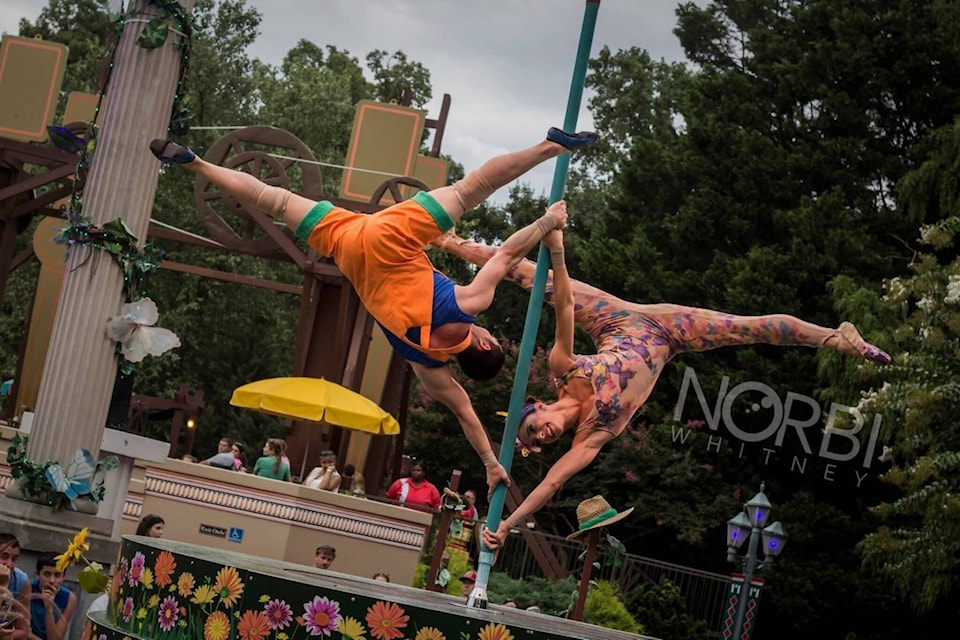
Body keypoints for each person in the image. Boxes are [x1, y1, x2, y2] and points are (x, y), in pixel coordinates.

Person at [150, 129, 596, 498]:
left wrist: (545, 223)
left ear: (485, 343)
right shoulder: (429, 368)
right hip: (348, 248)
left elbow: (503, 257)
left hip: (389, 235)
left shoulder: (469, 309)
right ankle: (196, 166)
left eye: (490, 337)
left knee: (473, 187)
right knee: (276, 200)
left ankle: (550, 147)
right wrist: (490, 465)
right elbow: (466, 415)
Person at [434, 228, 892, 550]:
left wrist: (556, 246)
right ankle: (833, 340)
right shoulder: (591, 436)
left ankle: (448, 240)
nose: (542, 436)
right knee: (748, 330)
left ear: (537, 407)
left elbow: (567, 304)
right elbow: (553, 483)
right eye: (537, 441)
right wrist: (509, 525)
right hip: (671, 336)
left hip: (621, 320)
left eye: (533, 428)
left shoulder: (563, 368)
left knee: (535, 279)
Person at [29, 552, 76, 640]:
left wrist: (49, 608)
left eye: (57, 575)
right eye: (47, 574)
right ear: (37, 574)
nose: (51, 580)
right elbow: (22, 629)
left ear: (63, 576)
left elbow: (55, 638)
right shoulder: (28, 588)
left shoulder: (69, 598)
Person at [0, 534, 29, 640]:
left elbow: (23, 630)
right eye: (4, 556)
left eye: (14, 559)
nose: (9, 564)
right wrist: (3, 585)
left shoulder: (21, 581)